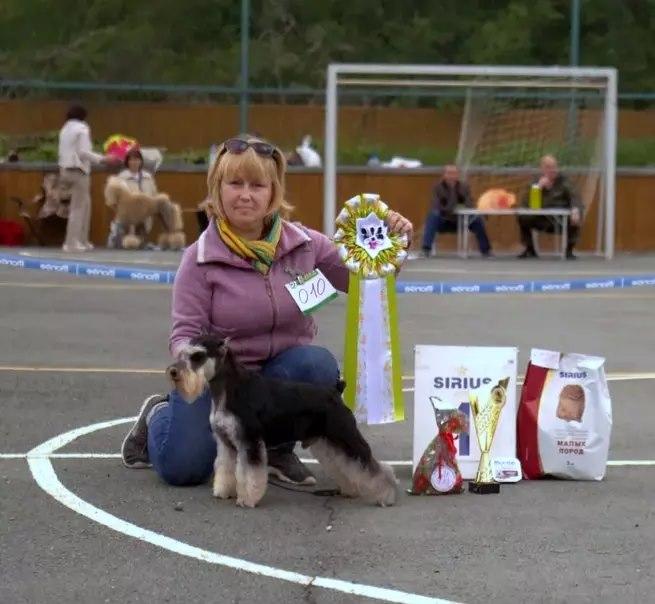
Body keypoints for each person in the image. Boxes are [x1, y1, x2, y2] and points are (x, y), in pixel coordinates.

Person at [120, 135, 413, 487]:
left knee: (316, 365)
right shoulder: (198, 259)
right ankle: (157, 416)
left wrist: (391, 241)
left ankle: (275, 449)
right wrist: (197, 365)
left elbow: (363, 278)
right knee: (184, 469)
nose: (246, 195)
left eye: (257, 185)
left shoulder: (305, 244)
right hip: (223, 381)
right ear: (217, 188)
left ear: (273, 192)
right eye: (235, 183)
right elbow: (184, 334)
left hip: (277, 378)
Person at [58, 104, 118, 252]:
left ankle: (82, 240)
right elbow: (83, 152)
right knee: (79, 207)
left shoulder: (64, 129)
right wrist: (103, 159)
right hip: (78, 170)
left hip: (64, 170)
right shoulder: (82, 129)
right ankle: (72, 242)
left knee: (85, 204)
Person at [518, 155, 584, 260]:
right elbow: (527, 204)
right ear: (542, 169)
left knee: (576, 215)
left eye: (554, 167)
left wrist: (575, 209)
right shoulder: (535, 182)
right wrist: (538, 188)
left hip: (561, 219)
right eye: (548, 167)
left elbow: (574, 196)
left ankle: (569, 250)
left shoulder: (564, 181)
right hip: (542, 219)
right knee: (522, 217)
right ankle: (530, 249)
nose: (552, 170)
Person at [420, 165, 492, 257]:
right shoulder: (438, 188)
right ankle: (426, 249)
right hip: (444, 220)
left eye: (454, 173)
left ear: (457, 175)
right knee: (433, 216)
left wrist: (458, 204)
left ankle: (486, 250)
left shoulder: (464, 187)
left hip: (461, 221)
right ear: (444, 175)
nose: (451, 176)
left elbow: (470, 205)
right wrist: (453, 204)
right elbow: (437, 206)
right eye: (449, 173)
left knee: (477, 220)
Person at [107, 146, 158, 248]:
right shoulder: (121, 178)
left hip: (144, 214)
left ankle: (141, 239)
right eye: (131, 160)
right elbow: (112, 200)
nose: (134, 162)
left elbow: (154, 196)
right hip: (126, 214)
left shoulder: (148, 177)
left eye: (137, 159)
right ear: (127, 162)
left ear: (141, 161)